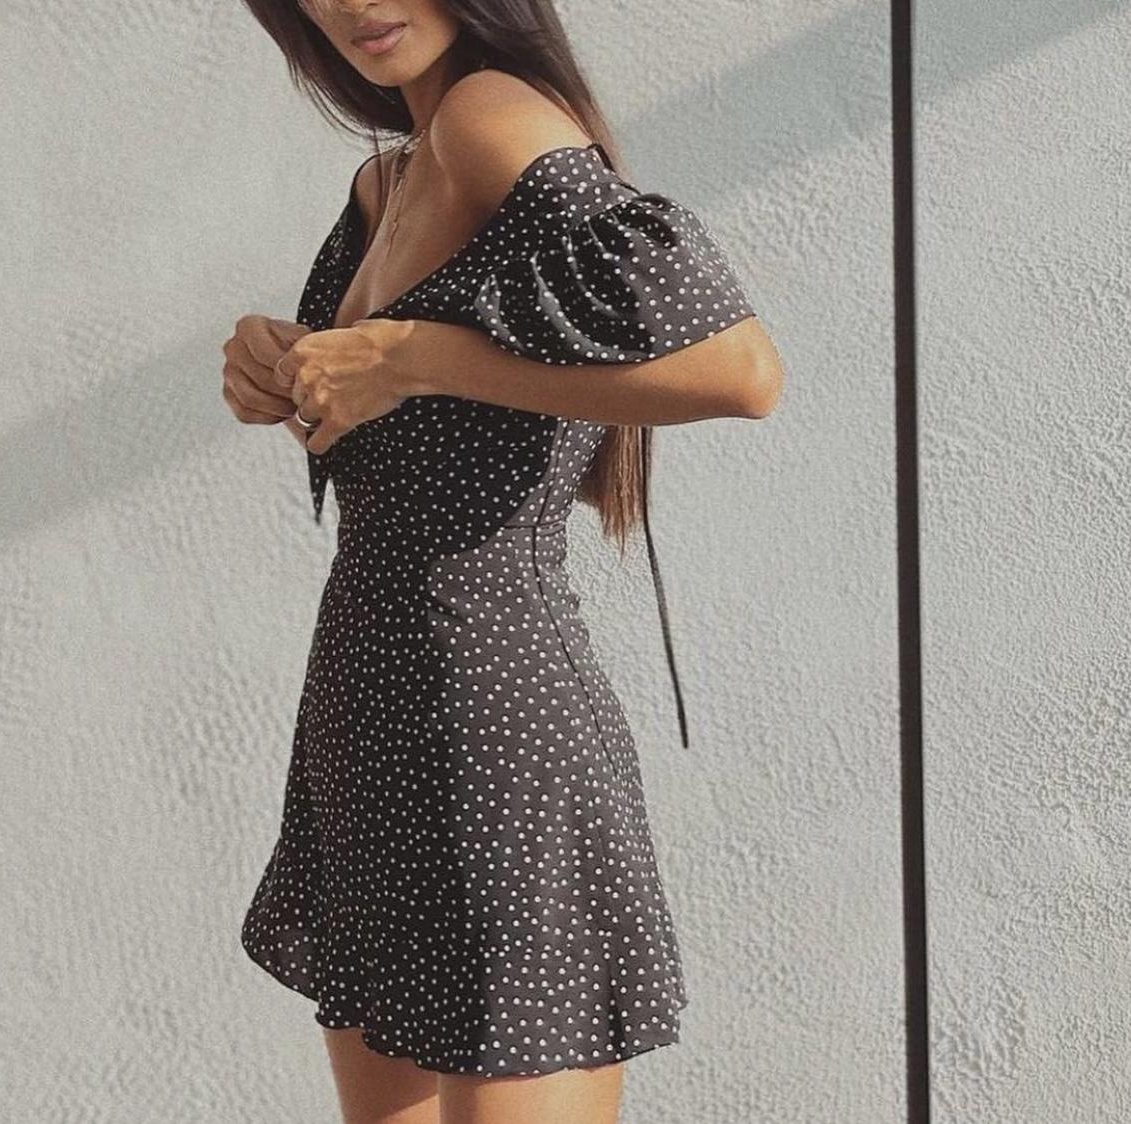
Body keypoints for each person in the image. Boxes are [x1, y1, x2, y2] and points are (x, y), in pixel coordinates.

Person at [222, 3, 784, 1121]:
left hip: (496, 735)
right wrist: (277, 367)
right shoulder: (386, 181)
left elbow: (740, 368)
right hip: (371, 728)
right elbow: (409, 437)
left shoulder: (493, 119)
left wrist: (410, 358)